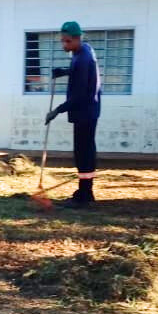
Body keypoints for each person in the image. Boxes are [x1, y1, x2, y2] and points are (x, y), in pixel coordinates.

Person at [46, 21, 102, 208]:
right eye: (62, 41)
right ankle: (84, 192)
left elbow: (78, 96)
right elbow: (78, 72)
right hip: (88, 109)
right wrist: (65, 71)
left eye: (67, 41)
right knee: (84, 150)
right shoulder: (83, 51)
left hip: (85, 110)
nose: (64, 45)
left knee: (83, 152)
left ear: (78, 38)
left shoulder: (83, 58)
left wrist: (56, 111)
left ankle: (85, 194)